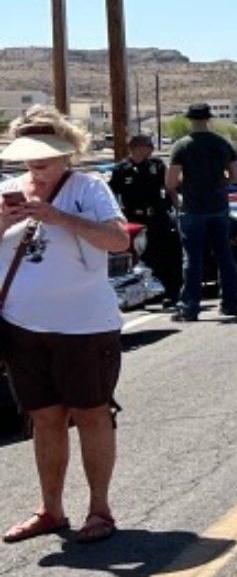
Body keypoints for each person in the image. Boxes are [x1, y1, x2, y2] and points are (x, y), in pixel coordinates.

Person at [0, 110, 133, 545]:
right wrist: (5, 221)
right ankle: (51, 509)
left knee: (92, 413)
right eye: (29, 157)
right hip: (21, 326)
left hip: (84, 327)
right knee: (44, 419)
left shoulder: (89, 188)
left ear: (65, 153)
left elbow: (118, 240)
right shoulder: (5, 190)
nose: (35, 165)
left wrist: (58, 217)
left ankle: (100, 509)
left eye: (46, 156)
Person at [166, 102, 237, 323]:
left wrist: (186, 183)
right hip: (218, 206)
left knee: (192, 258)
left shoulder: (182, 146)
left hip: (192, 207)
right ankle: (230, 303)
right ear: (208, 119)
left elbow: (171, 182)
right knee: (225, 255)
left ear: (190, 120)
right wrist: (219, 182)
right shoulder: (222, 144)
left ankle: (190, 306)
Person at [109, 133, 181, 305]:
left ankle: (171, 293)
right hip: (135, 220)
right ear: (137, 147)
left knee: (166, 256)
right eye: (149, 145)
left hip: (158, 218)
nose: (152, 149)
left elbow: (169, 188)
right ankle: (142, 295)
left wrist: (177, 206)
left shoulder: (156, 165)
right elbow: (112, 197)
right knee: (141, 260)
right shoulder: (121, 170)